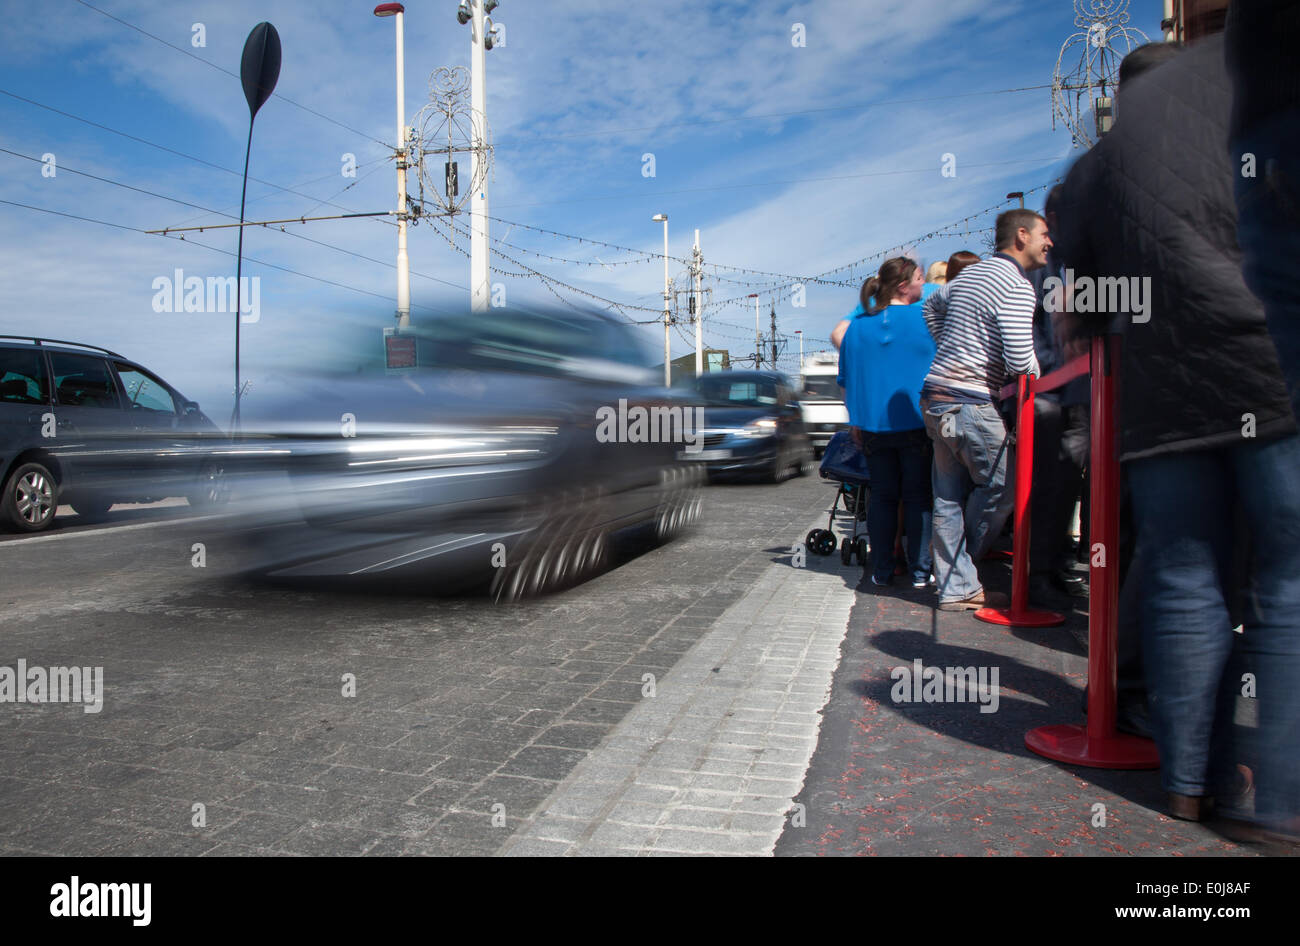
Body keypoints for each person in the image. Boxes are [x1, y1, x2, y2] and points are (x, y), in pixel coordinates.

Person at [1054, 26, 1299, 834]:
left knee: (1181, 573)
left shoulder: (1098, 165)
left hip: (1160, 398)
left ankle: (1189, 784)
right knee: (1288, 576)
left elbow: (1081, 307)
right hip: (1269, 362)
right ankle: (1279, 801)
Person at [919, 213, 1045, 610]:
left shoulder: (967, 278)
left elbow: (930, 309)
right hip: (971, 399)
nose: (1050, 243)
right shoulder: (1017, 287)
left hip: (936, 395)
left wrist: (950, 348)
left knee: (948, 497)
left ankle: (956, 584)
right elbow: (1021, 359)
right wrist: (1036, 372)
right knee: (1004, 488)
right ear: (1021, 236)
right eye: (1045, 235)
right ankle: (960, 570)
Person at [837, 257, 935, 589]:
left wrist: (855, 421)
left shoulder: (858, 327)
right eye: (920, 278)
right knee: (919, 496)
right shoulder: (928, 318)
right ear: (905, 285)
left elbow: (846, 380)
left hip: (873, 425)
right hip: (917, 421)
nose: (925, 284)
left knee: (882, 497)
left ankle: (881, 569)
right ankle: (922, 571)